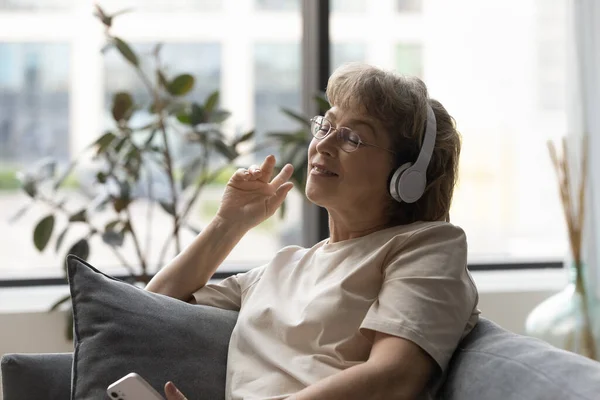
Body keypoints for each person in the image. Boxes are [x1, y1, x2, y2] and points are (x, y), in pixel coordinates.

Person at [146, 62, 479, 400]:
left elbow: (395, 376)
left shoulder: (428, 248)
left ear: (408, 176)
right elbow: (150, 310)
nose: (324, 144)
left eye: (353, 137)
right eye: (326, 125)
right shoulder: (283, 266)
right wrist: (227, 224)